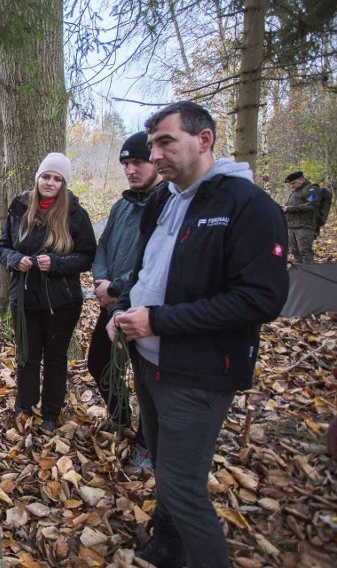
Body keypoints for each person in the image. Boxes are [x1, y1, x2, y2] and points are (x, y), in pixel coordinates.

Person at [107, 102, 289, 568]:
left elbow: (260, 300)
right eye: (152, 145)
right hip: (148, 359)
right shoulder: (164, 200)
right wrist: (125, 309)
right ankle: (168, 548)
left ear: (204, 140)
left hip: (199, 372)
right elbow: (147, 271)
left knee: (182, 487)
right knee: (165, 473)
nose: (156, 153)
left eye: (166, 142)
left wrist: (159, 321)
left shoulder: (249, 206)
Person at [0, 153, 97, 430]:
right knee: (26, 356)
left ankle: (51, 413)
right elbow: (2, 246)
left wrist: (56, 263)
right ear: (38, 178)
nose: (50, 182)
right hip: (24, 298)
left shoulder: (75, 214)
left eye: (57, 178)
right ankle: (25, 407)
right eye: (46, 176)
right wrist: (15, 260)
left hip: (61, 302)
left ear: (63, 183)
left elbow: (88, 255)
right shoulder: (19, 208)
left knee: (55, 359)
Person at [88, 131, 164, 474]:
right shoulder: (122, 205)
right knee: (98, 363)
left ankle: (147, 445)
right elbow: (102, 247)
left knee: (147, 380)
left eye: (138, 162)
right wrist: (102, 282)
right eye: (125, 164)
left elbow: (151, 260)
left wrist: (117, 288)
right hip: (110, 304)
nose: (131, 170)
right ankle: (121, 418)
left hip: (143, 306)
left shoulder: (165, 203)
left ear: (156, 162)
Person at [281, 171, 321, 263]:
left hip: (304, 227)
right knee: (295, 253)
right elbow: (289, 206)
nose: (292, 186)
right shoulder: (294, 192)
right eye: (290, 184)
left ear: (302, 179)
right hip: (291, 227)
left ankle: (309, 274)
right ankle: (299, 274)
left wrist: (289, 209)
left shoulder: (312, 189)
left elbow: (311, 205)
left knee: (305, 252)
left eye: (294, 183)